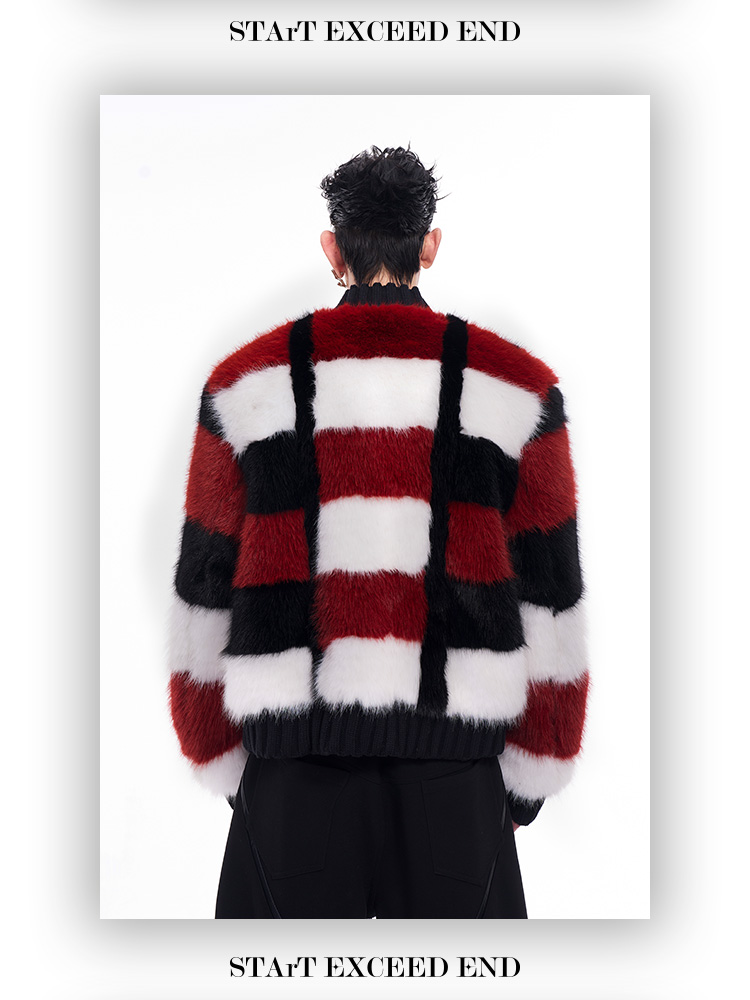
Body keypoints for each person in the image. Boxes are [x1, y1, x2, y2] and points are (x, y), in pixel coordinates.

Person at [167, 145, 589, 919]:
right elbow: (550, 595)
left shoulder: (245, 386)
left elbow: (204, 586)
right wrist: (535, 770)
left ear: (332, 248)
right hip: (456, 782)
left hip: (292, 777)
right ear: (430, 245)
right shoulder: (517, 390)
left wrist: (220, 756)